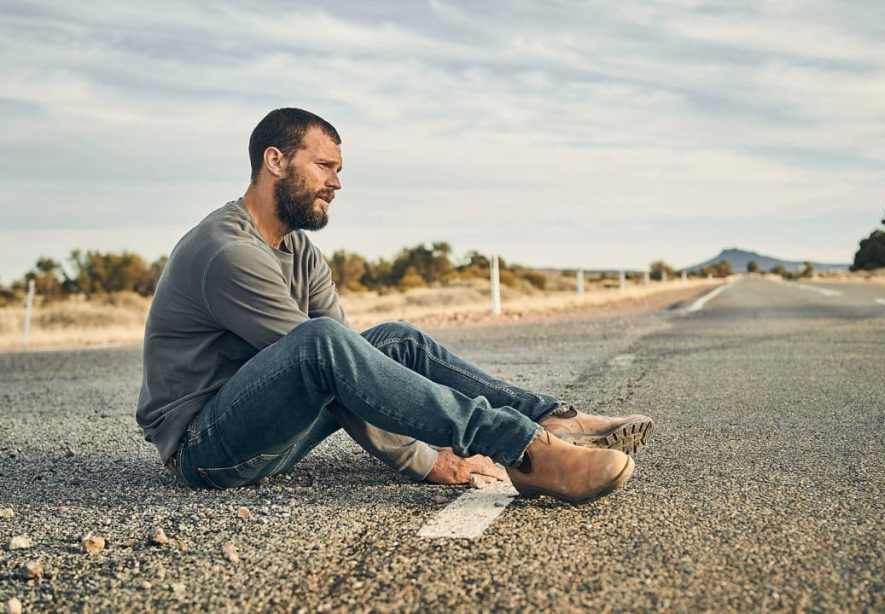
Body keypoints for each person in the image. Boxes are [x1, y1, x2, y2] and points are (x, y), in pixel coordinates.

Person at [136, 108, 654, 504]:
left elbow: (360, 367)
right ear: (275, 161)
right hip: (207, 450)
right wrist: (431, 461)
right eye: (323, 166)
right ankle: (524, 450)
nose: (336, 183)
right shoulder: (228, 252)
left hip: (269, 428)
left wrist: (419, 439)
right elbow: (333, 370)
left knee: (393, 340)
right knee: (322, 344)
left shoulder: (300, 251)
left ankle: (551, 419)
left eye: (338, 170)